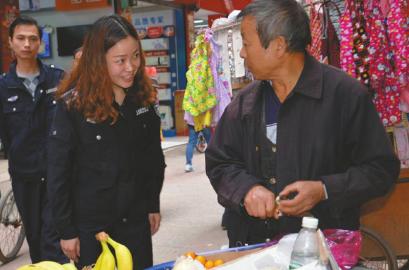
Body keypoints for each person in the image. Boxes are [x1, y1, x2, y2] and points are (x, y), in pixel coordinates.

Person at [205, 0, 400, 248]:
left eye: (246, 42)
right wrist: (247, 189)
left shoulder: (345, 96)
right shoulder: (245, 103)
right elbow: (220, 162)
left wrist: (324, 189)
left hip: (323, 250)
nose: (242, 53)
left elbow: (380, 170)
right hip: (255, 248)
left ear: (278, 46)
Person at [47, 15, 165, 270]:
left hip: (135, 222)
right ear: (98, 61)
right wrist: (66, 230)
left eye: (135, 56)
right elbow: (58, 174)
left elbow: (153, 159)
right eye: (120, 61)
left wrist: (152, 203)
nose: (130, 67)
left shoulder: (143, 101)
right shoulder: (72, 106)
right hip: (92, 230)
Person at [0, 16, 67, 263]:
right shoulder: (3, 88)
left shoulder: (58, 79)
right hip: (24, 176)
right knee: (37, 241)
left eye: (33, 39)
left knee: (54, 236)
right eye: (21, 38)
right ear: (10, 43)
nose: (27, 44)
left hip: (58, 173)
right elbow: (5, 136)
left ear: (40, 43)